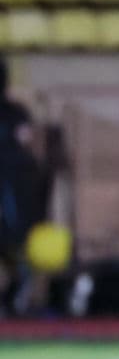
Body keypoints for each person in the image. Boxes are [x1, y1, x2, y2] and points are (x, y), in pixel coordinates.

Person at [0, 57, 43, 316]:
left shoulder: (17, 111)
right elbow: (26, 140)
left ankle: (16, 294)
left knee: (14, 242)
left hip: (12, 188)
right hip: (14, 186)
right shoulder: (17, 112)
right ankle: (14, 294)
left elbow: (26, 139)